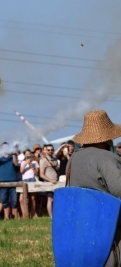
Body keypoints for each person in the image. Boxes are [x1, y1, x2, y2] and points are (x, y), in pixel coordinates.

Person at [66, 110, 121, 267]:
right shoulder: (108, 158)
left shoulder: (73, 158)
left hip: (81, 225)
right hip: (110, 227)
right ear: (108, 136)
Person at [0, 142, 19, 220]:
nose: (5, 148)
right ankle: (7, 218)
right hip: (3, 181)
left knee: (14, 201)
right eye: (4, 147)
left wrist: (14, 154)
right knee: (4, 200)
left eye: (7, 147)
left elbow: (15, 164)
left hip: (12, 181)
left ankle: (15, 218)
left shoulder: (12, 156)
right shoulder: (0, 156)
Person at [39, 144, 60, 218]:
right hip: (49, 183)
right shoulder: (44, 161)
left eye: (52, 150)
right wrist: (50, 180)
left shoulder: (55, 160)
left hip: (56, 182)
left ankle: (56, 215)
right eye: (48, 150)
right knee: (50, 199)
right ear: (46, 151)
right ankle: (51, 216)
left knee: (56, 199)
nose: (50, 151)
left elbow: (57, 170)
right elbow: (41, 174)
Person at [19, 149, 39, 218]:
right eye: (27, 154)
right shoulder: (22, 162)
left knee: (32, 198)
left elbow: (37, 173)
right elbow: (21, 171)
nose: (28, 155)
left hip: (32, 179)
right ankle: (24, 215)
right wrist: (25, 163)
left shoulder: (35, 162)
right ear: (24, 155)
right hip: (24, 180)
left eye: (29, 154)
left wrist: (32, 167)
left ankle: (33, 215)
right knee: (21, 199)